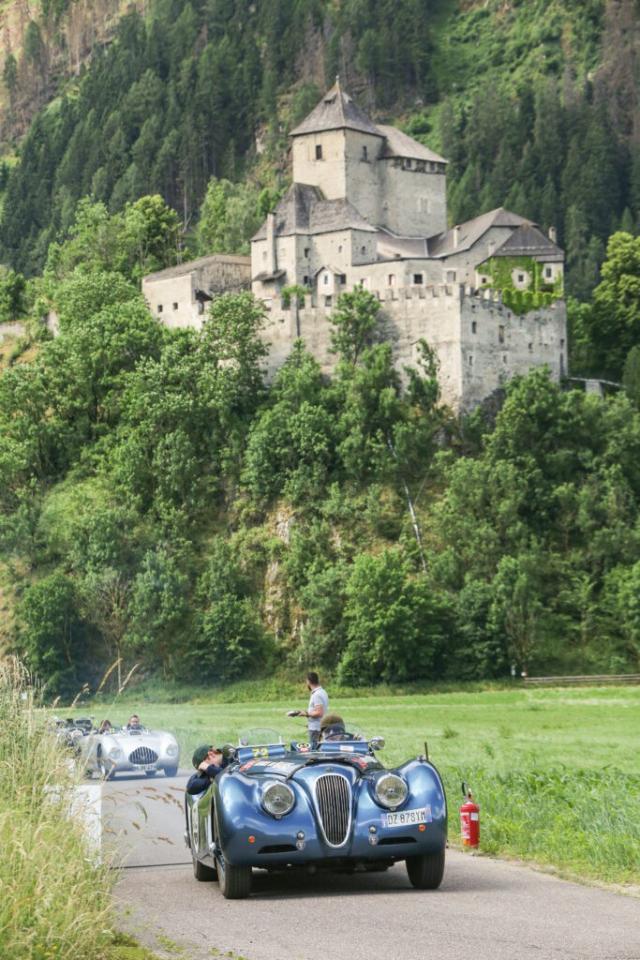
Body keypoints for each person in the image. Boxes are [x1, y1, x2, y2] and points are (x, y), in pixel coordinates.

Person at [297, 672, 329, 749]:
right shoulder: (322, 691)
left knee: (314, 751)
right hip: (319, 726)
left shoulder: (317, 694)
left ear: (308, 681)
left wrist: (306, 714)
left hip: (315, 728)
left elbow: (319, 712)